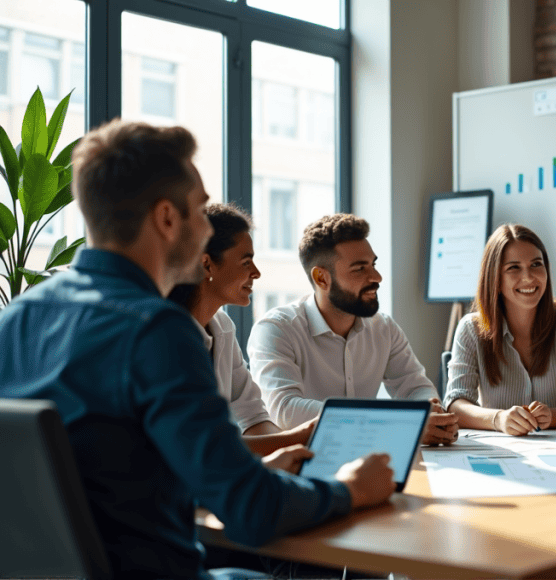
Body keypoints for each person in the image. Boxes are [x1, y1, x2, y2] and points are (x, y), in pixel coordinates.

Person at [0, 120, 394, 579]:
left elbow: (108, 483)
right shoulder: (156, 329)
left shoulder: (17, 318)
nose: (208, 227)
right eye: (201, 211)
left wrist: (253, 470)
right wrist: (350, 488)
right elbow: (253, 511)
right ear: (168, 219)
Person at [247, 213, 458, 445]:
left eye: (373, 265)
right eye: (359, 269)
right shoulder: (276, 329)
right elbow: (286, 410)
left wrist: (429, 412)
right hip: (302, 463)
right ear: (321, 278)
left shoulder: (383, 328)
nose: (376, 277)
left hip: (371, 458)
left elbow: (416, 387)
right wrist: (400, 424)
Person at [168, 203, 314, 457]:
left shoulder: (222, 327)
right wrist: (298, 438)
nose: (256, 273)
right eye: (246, 262)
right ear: (207, 265)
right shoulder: (169, 335)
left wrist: (293, 446)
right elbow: (201, 445)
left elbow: (253, 418)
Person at [443, 224, 556, 435]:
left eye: (536, 264)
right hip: (502, 453)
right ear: (495, 279)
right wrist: (498, 419)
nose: (528, 277)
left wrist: (551, 417)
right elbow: (455, 403)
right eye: (514, 268)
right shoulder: (471, 329)